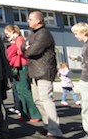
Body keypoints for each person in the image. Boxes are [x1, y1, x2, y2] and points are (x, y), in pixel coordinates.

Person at [23, 10, 63, 139]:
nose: (28, 21)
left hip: (44, 71)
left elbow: (31, 52)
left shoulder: (44, 34)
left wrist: (28, 48)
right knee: (38, 100)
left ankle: (55, 131)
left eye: (30, 19)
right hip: (35, 71)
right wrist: (26, 47)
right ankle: (47, 125)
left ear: (38, 21)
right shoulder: (34, 34)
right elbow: (25, 47)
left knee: (46, 100)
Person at [4, 25, 41, 122]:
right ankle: (25, 113)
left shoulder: (19, 39)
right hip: (17, 66)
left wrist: (15, 44)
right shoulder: (15, 41)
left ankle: (35, 114)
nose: (6, 34)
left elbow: (21, 51)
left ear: (12, 32)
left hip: (21, 66)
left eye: (7, 32)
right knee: (19, 90)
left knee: (24, 90)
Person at [69, 22, 88, 139]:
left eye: (76, 33)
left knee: (86, 107)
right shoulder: (85, 46)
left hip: (86, 79)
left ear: (84, 32)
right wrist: (78, 58)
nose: (75, 36)